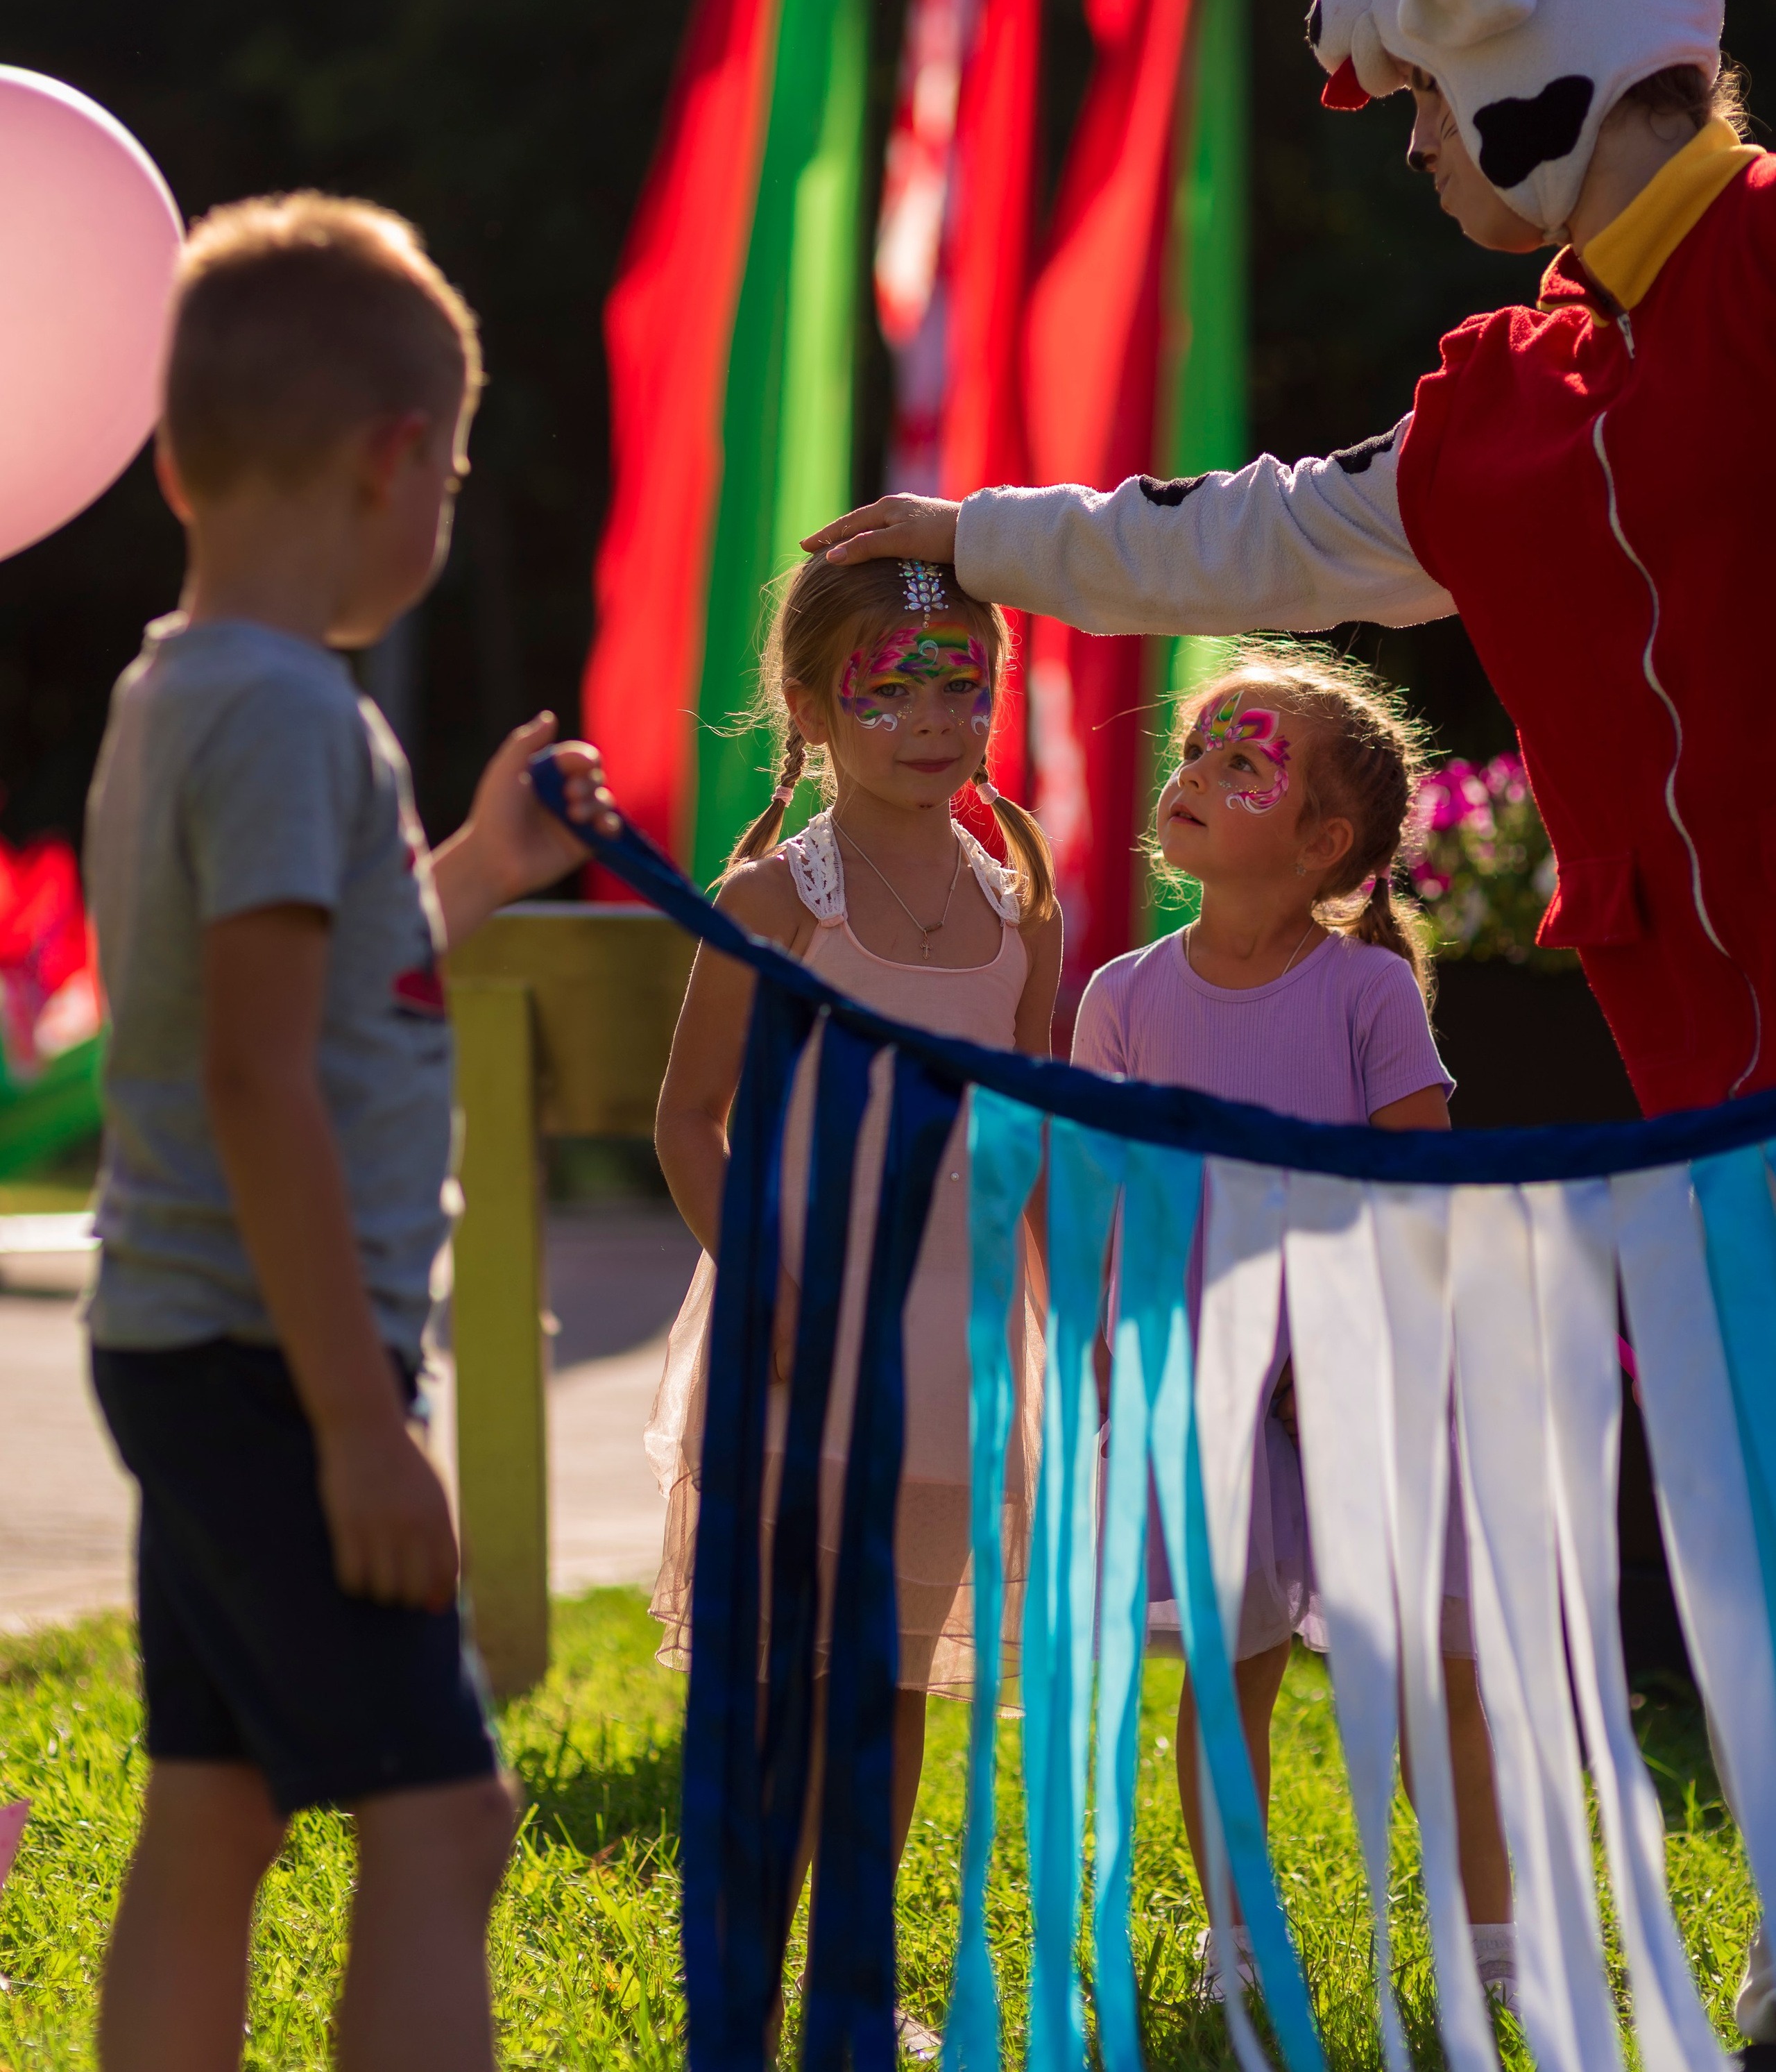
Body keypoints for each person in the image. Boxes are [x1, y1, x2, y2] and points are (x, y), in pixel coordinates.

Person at [801, 0, 1775, 2039]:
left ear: (1520, 22)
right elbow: (1250, 533)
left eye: (1420, 99)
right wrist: (970, 533)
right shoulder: (1511, 399)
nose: (1418, 150)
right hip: (1700, 1076)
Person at [83, 194, 604, 2072]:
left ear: (176, 461)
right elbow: (257, 1075)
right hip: (270, 1362)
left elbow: (322, 982)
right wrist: (359, 1428)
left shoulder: (183, 686)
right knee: (446, 1820)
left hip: (198, 1343)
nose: (442, 507)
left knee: (216, 1808)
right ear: (395, 461)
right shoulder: (294, 713)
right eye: (449, 474)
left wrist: (478, 863)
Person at [645, 552, 1064, 2053]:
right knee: (785, 1682)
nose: (934, 720)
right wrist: (763, 1277)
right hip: (797, 1350)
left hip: (954, 1358)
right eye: (891, 692)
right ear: (814, 710)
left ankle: (852, 1982)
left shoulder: (1025, 915)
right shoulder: (771, 901)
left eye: (964, 686)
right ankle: (746, 1979)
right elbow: (687, 1118)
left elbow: (1027, 1134)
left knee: (889, 1687)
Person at [1074, 647, 1513, 2010]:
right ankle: (1241, 1937)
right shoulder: (1120, 996)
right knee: (1228, 1677)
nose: (1196, 773)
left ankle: (1493, 1943)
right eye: (1196, 751)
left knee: (1434, 1670)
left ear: (1322, 842)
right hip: (1208, 1388)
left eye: (1243, 762)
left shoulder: (1365, 993)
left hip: (1357, 1377)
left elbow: (1418, 1191)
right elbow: (1101, 1200)